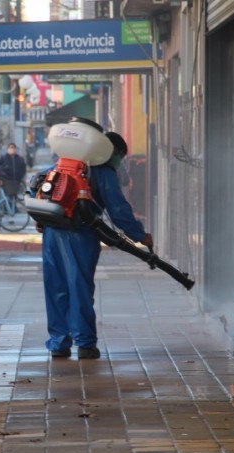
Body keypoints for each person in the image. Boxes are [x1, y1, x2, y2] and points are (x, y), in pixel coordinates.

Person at [40, 128, 153, 360]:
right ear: (112, 153)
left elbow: (37, 185)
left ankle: (59, 343)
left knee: (56, 288)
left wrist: (43, 218)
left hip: (53, 232)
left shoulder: (66, 163)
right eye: (120, 158)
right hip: (80, 233)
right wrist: (140, 235)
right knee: (79, 287)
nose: (119, 163)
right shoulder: (102, 171)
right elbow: (118, 210)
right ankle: (85, 344)